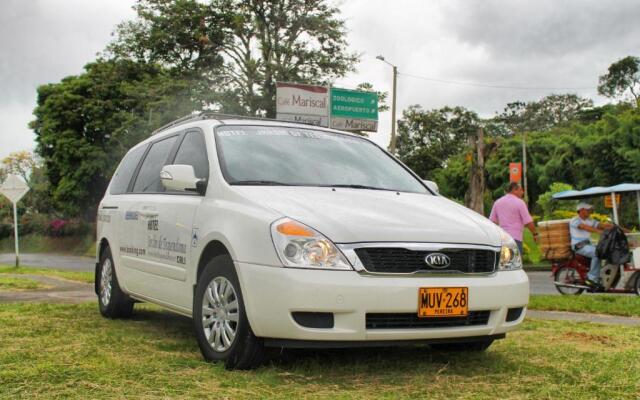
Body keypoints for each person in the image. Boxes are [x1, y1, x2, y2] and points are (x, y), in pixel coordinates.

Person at [570, 203, 615, 288]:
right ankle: (591, 279)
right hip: (578, 246)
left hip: (588, 244)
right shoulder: (575, 220)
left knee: (607, 250)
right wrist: (599, 232)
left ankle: (603, 274)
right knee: (597, 253)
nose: (590, 211)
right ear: (581, 210)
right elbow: (585, 227)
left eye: (590, 210)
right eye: (588, 210)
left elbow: (602, 225)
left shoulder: (590, 220)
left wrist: (615, 228)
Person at [489, 182, 537, 255]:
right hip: (515, 239)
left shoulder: (497, 202)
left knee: (503, 264)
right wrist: (535, 234)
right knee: (515, 264)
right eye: (521, 190)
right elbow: (528, 222)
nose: (522, 192)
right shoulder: (520, 203)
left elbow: (492, 222)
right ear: (515, 190)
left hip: (502, 239)